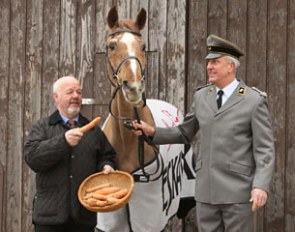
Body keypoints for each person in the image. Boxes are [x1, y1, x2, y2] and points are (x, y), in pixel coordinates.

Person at [132, 35, 275, 232]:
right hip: (206, 192)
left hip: (238, 192)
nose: (209, 67)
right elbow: (184, 133)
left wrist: (260, 185)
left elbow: (265, 149)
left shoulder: (253, 100)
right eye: (208, 62)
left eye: (215, 62)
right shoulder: (201, 96)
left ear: (230, 66)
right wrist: (153, 132)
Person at [24, 76, 116, 232]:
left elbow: (107, 155)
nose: (76, 96)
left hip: (84, 216)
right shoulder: (43, 126)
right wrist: (63, 141)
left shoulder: (93, 130)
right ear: (56, 97)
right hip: (49, 217)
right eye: (70, 92)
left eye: (79, 92)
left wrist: (106, 166)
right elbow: (33, 159)